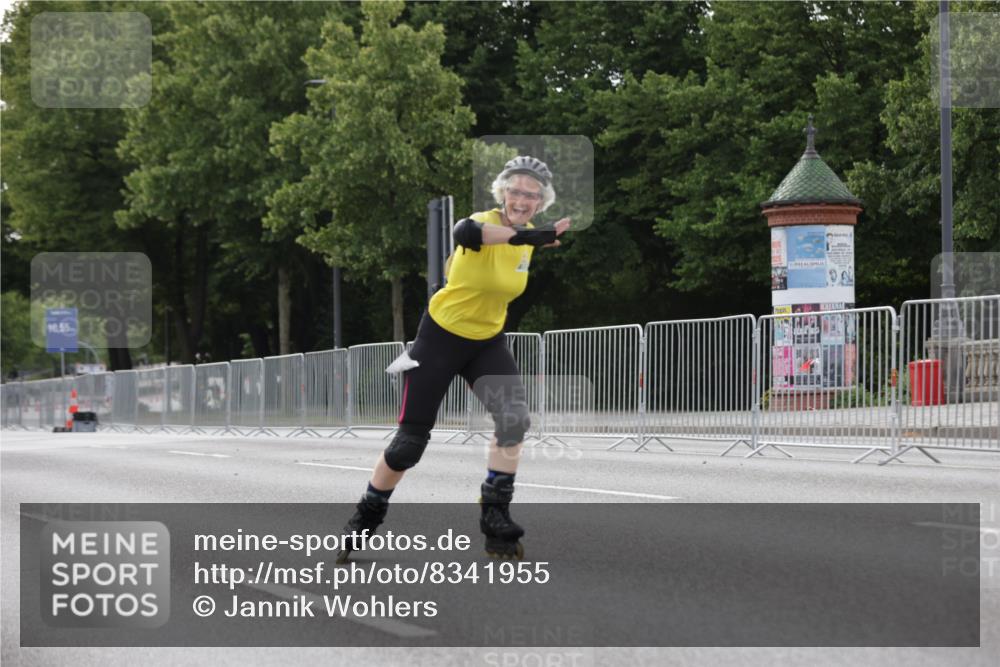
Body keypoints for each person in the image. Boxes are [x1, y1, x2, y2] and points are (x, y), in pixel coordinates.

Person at [338, 156, 570, 561]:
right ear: (502, 192)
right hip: (440, 338)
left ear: (541, 202)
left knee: (514, 420)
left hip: (487, 342)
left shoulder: (531, 235)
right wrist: (529, 239)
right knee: (408, 445)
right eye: (515, 190)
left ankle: (495, 518)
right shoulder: (484, 223)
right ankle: (367, 514)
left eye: (531, 194)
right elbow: (465, 231)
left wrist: (535, 238)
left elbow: (516, 259)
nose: (522, 199)